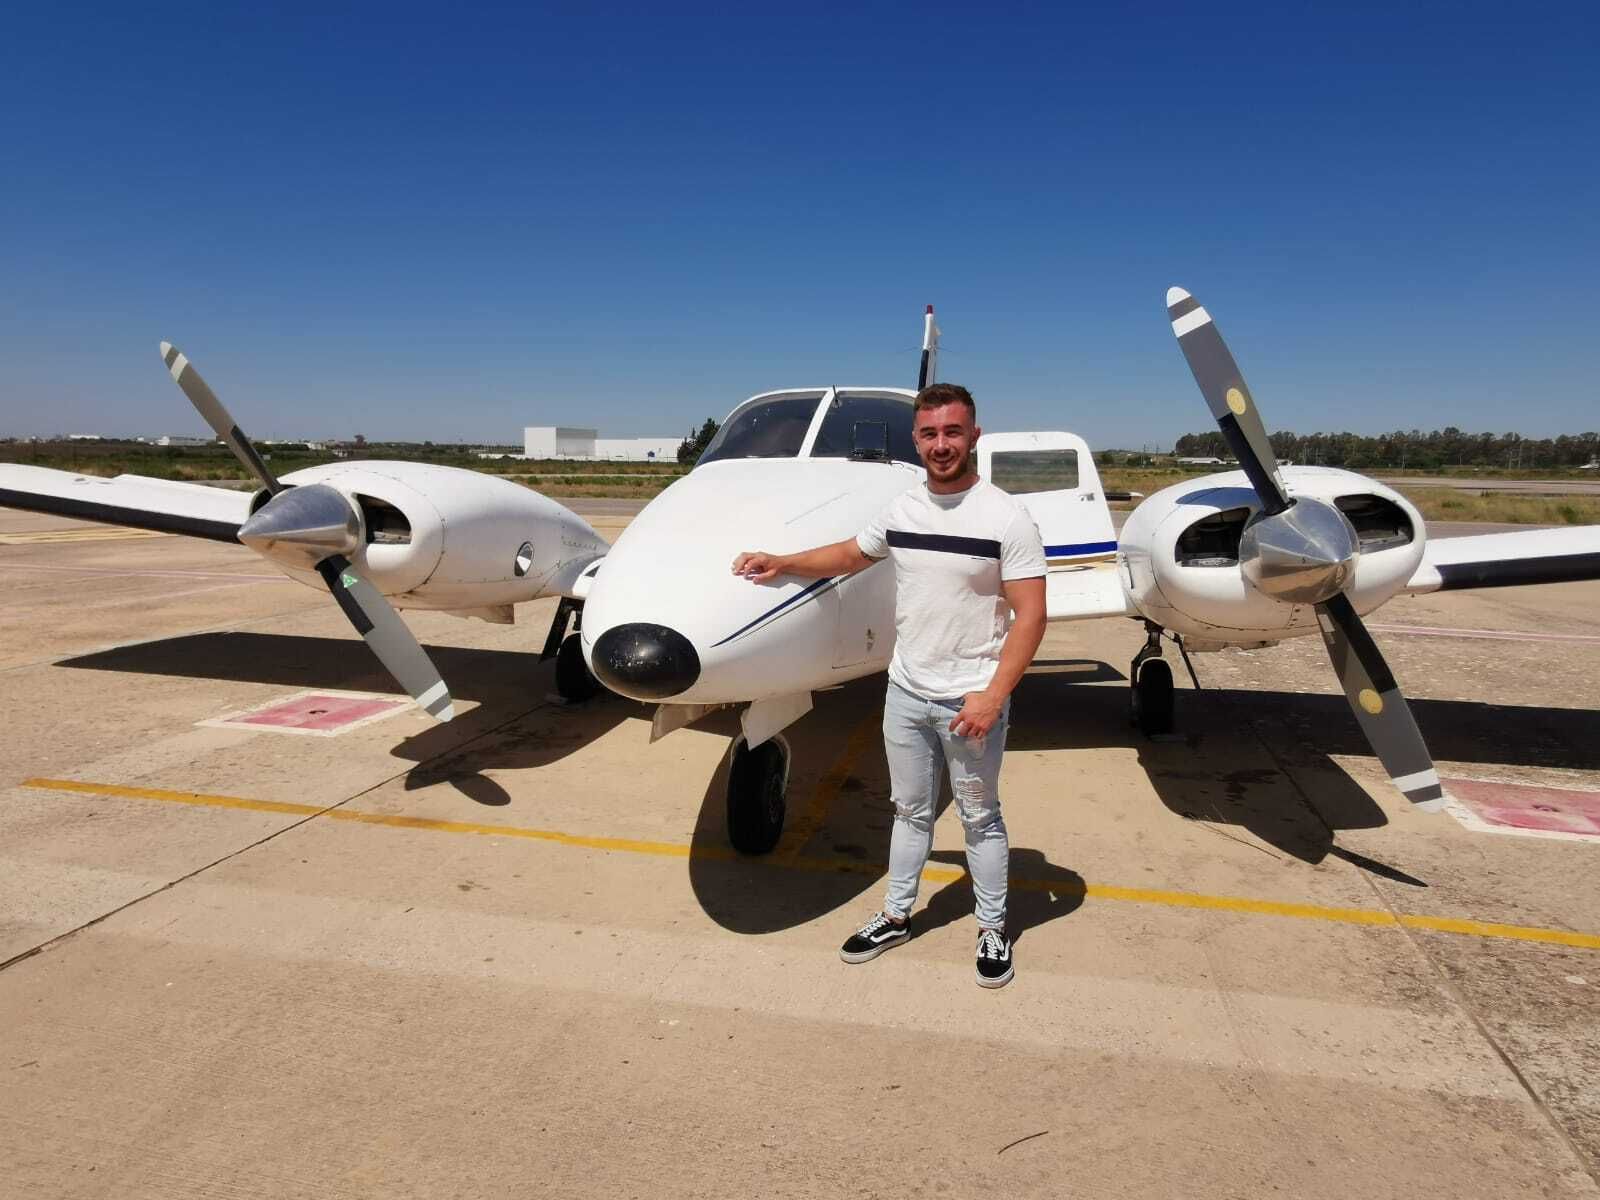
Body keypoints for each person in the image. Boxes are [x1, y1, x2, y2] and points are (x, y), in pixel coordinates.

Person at [731, 383, 1046, 988]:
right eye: (929, 434)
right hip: (906, 693)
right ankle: (898, 915)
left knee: (980, 818)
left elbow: (1031, 614)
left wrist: (993, 696)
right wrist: (782, 561)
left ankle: (992, 927)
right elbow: (852, 553)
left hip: (969, 700)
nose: (941, 444)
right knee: (908, 812)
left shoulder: (1007, 516)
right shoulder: (904, 511)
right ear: (917, 440)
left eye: (953, 432)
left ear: (974, 436)